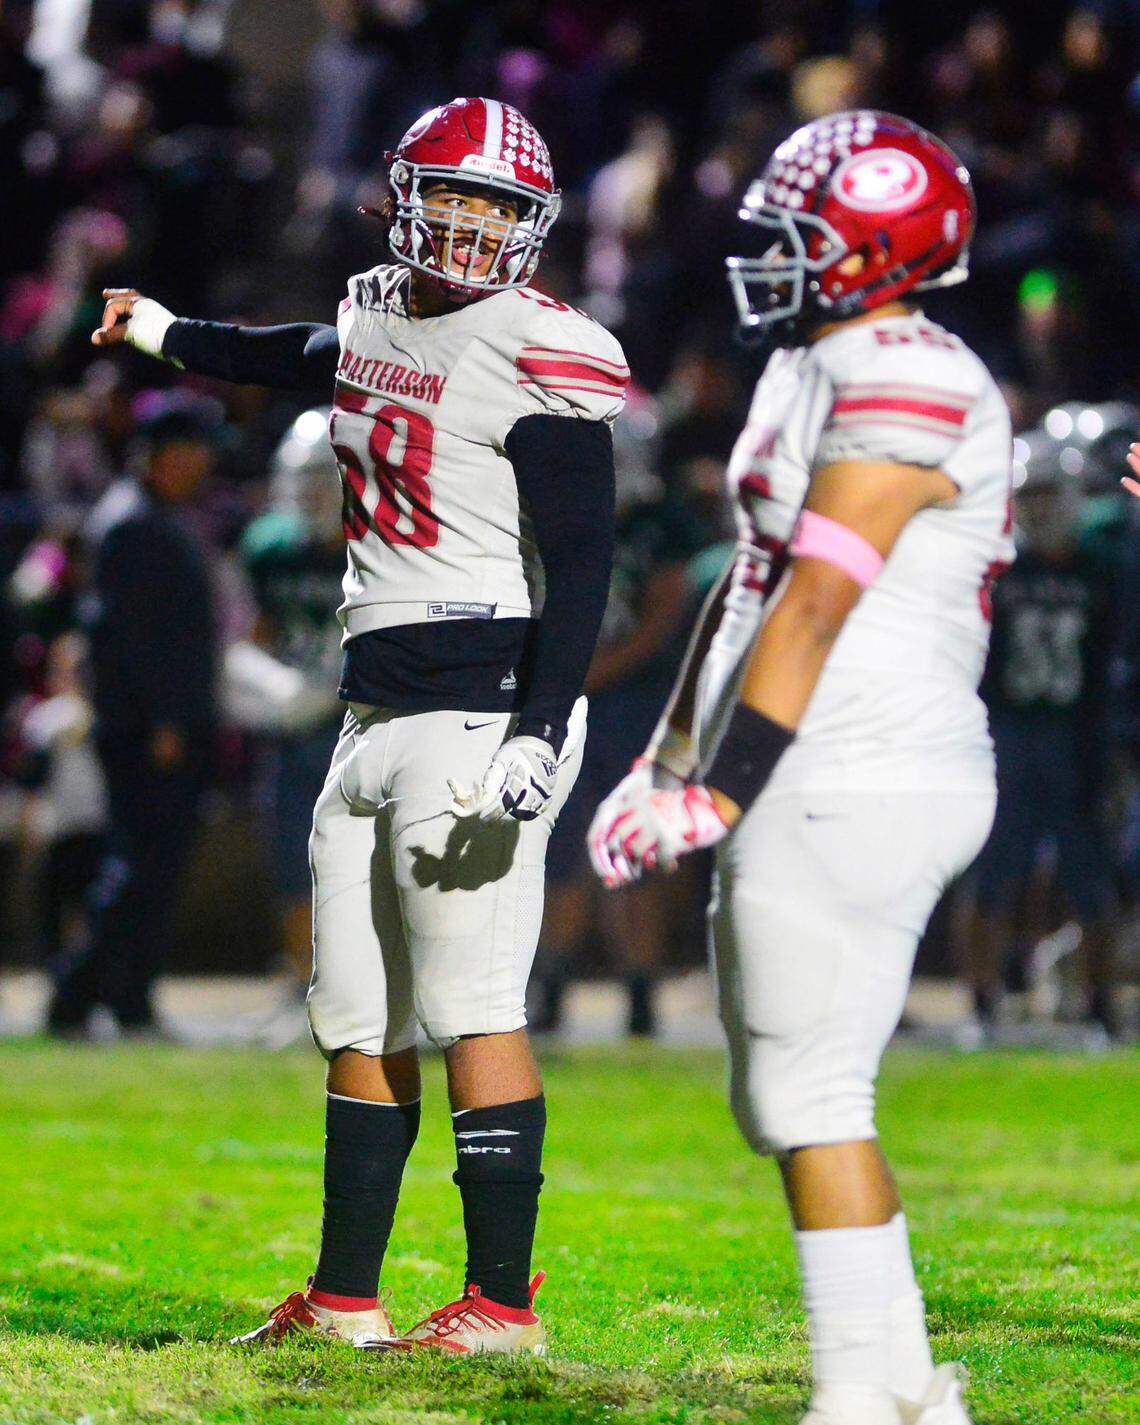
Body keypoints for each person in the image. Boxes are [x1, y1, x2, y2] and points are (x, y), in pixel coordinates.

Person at [89, 97, 627, 1354]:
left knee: (473, 1004)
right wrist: (167, 331)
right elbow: (300, 354)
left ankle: (501, 1307)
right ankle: (346, 1301)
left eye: (498, 205)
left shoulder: (546, 345)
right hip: (371, 699)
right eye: (455, 194)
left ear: (532, 224)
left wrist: (542, 728)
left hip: (484, 694)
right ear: (405, 195)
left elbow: (586, 559)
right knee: (356, 1013)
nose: (472, 222)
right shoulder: (378, 307)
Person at [588, 112, 1013, 1425]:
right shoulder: (811, 357)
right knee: (781, 1088)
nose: (773, 252)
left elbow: (820, 598)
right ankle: (900, 1390)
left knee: (809, 1088)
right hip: (817, 751)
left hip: (863, 752)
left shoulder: (909, 370)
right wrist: (666, 754)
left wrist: (723, 784)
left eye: (804, 231)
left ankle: (858, 1399)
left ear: (880, 244)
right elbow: (748, 586)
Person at [47, 398, 219, 1034]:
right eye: (192, 447)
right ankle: (81, 995)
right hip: (152, 734)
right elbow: (126, 639)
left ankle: (123, 997)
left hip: (162, 726)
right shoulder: (132, 524)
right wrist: (164, 721)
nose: (202, 461)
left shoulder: (155, 517)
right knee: (137, 868)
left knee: (150, 869)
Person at [966, 426, 1118, 1042]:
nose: (1041, 507)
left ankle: (1102, 1007)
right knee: (990, 874)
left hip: (1078, 735)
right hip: (1005, 734)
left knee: (1090, 876)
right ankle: (981, 1007)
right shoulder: (992, 568)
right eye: (1030, 494)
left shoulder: (1106, 571)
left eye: (1052, 492)